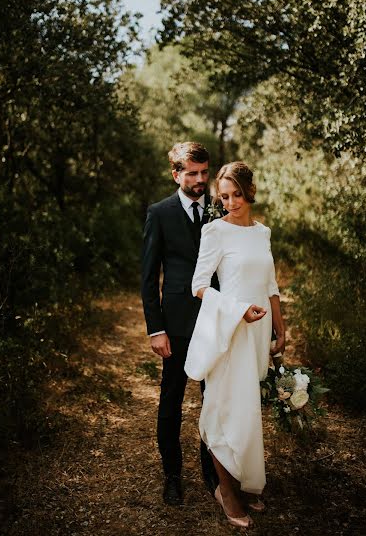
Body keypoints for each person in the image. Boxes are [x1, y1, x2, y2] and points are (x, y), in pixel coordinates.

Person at [185, 161, 285, 528]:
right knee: (223, 410)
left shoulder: (263, 233)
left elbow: (270, 283)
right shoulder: (215, 232)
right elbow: (199, 286)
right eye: (223, 197)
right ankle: (226, 492)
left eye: (236, 195)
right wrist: (238, 310)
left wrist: (280, 325)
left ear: (249, 191)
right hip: (230, 331)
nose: (230, 203)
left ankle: (241, 482)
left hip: (258, 334)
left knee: (246, 413)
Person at [141, 141, 219, 506]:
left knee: (214, 401)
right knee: (171, 400)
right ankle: (172, 475)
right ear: (176, 174)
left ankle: (212, 471)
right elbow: (148, 276)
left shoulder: (221, 210)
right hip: (174, 325)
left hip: (215, 321)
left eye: (204, 172)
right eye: (193, 173)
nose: (201, 179)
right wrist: (155, 329)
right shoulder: (159, 213)